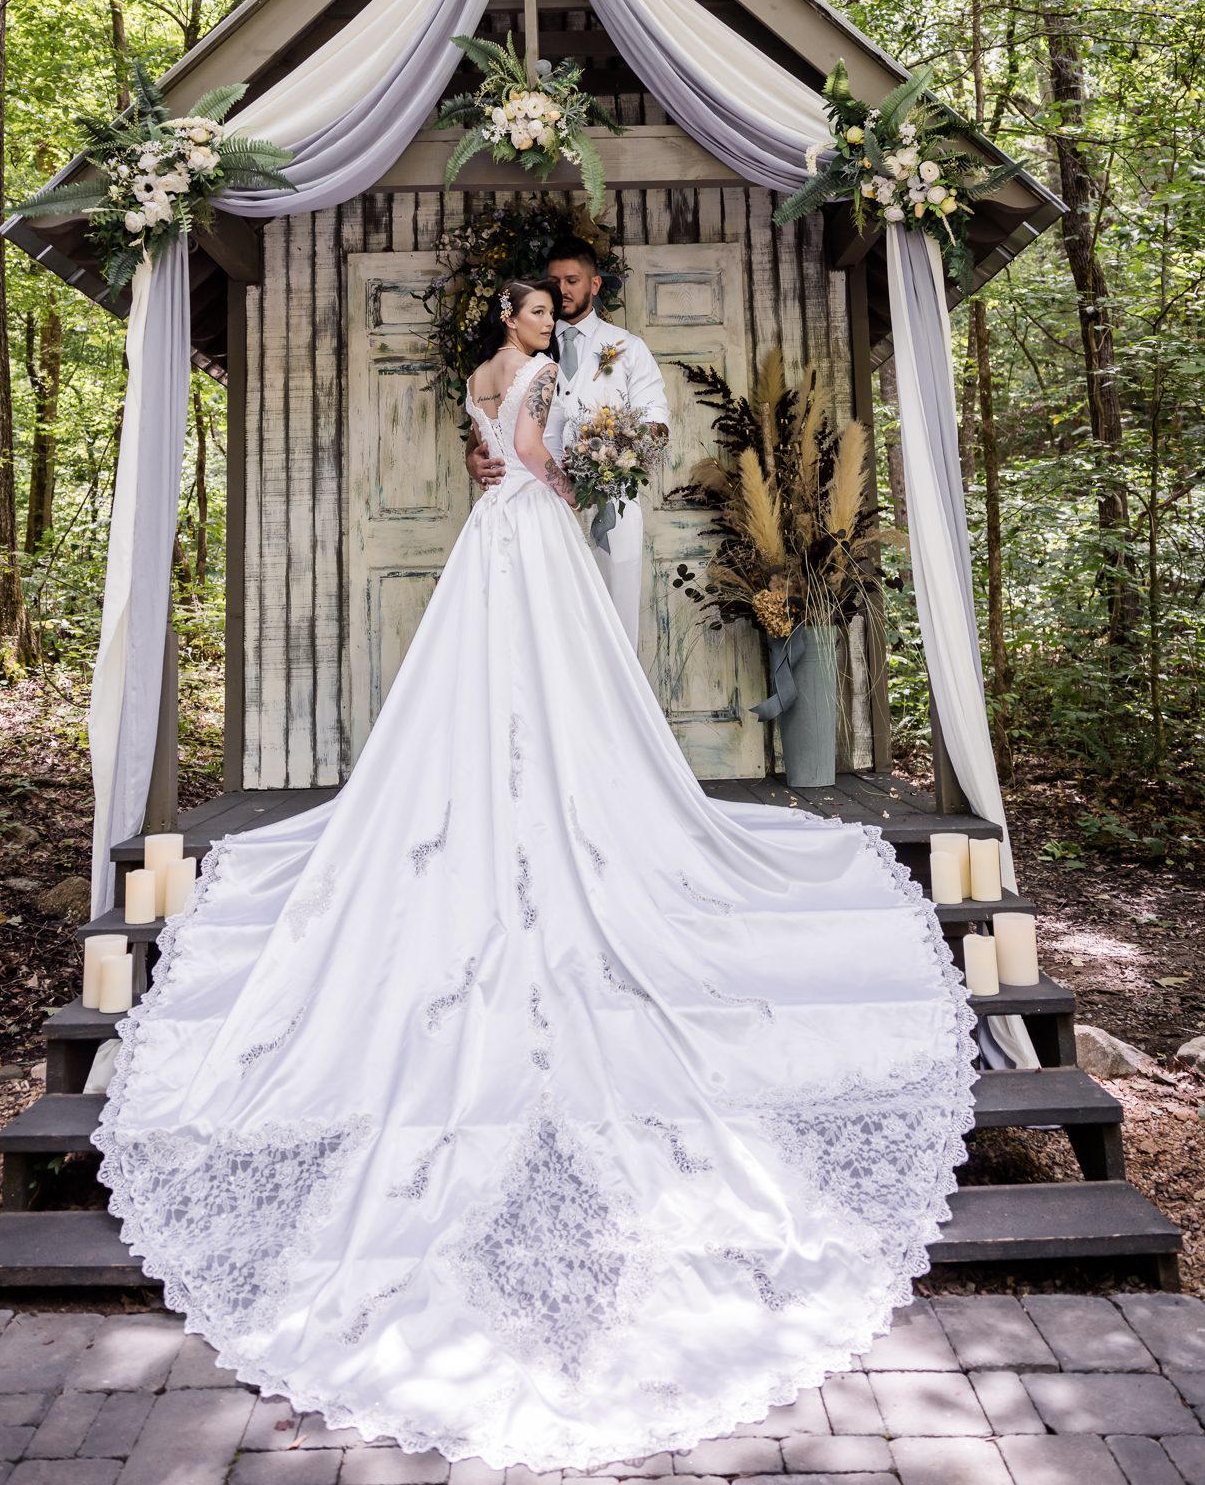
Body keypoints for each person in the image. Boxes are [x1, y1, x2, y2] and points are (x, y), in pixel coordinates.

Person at [91, 276, 978, 1475]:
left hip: (486, 537)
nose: (539, 325)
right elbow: (538, 461)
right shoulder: (546, 376)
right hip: (535, 526)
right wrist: (571, 477)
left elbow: (486, 450)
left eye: (544, 313)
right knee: (558, 675)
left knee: (495, 678)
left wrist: (528, 462)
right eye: (528, 312)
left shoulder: (476, 377)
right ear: (512, 320)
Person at [467, 238, 669, 649]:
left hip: (610, 501)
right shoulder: (532, 347)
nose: (562, 291)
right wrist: (473, 459)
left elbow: (657, 424)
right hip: (541, 506)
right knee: (548, 627)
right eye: (554, 281)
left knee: (614, 619)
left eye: (572, 280)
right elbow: (492, 428)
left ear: (594, 284)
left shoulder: (628, 348)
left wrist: (616, 450)